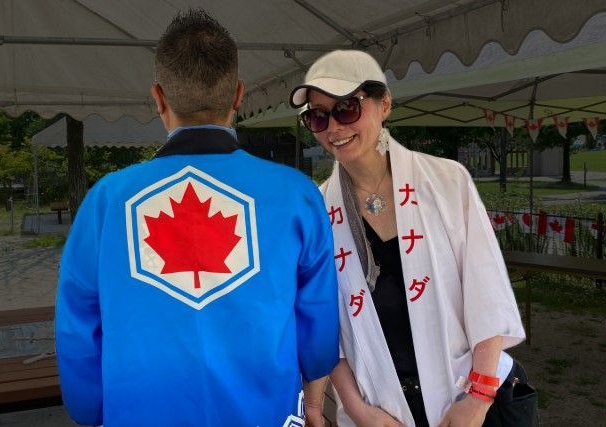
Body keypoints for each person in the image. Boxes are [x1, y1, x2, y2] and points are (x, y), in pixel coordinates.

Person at [55, 9, 339, 427]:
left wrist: (90, 409)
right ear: (239, 95)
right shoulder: (295, 194)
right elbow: (317, 318)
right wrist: (313, 404)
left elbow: (78, 323)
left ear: (158, 98)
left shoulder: (106, 201)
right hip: (264, 412)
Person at [290, 50, 537, 427]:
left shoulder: (446, 181)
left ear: (384, 104)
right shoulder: (318, 208)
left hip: (471, 395)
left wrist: (479, 397)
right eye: (317, 116)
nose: (333, 128)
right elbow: (325, 326)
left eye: (346, 109)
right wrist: (360, 412)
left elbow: (486, 290)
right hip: (384, 406)